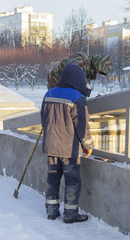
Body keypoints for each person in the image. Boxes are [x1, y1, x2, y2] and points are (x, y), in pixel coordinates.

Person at [41, 63, 95, 223]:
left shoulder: (48, 94)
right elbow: (82, 127)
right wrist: (88, 146)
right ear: (78, 79)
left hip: (51, 146)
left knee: (52, 179)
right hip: (69, 150)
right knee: (72, 182)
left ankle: (51, 212)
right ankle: (70, 215)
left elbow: (43, 120)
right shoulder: (77, 98)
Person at [46, 52, 113, 96]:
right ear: (97, 62)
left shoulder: (90, 70)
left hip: (64, 87)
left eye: (100, 71)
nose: (98, 71)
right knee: (60, 109)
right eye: (99, 68)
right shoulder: (81, 58)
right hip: (55, 82)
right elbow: (73, 71)